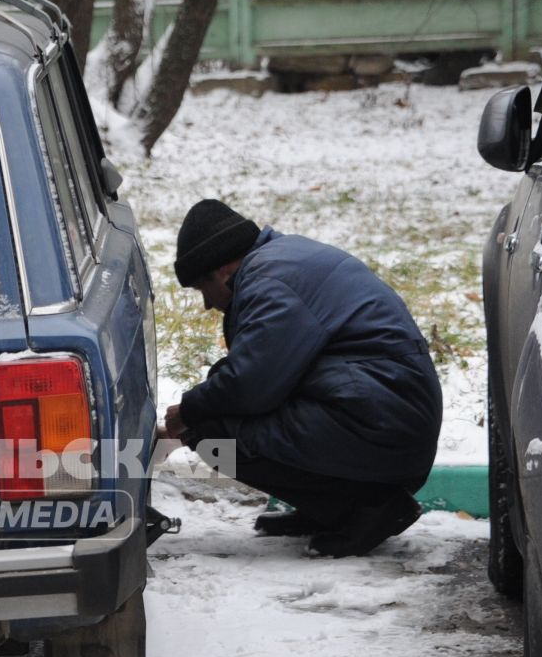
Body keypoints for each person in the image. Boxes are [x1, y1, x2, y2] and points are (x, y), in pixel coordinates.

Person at [160, 199, 443, 558]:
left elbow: (252, 385)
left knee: (209, 430)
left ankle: (373, 507)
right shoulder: (279, 263)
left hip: (382, 426)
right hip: (383, 418)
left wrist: (190, 409)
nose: (207, 305)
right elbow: (264, 370)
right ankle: (331, 512)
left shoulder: (271, 282)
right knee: (217, 408)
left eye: (203, 291)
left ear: (223, 270)